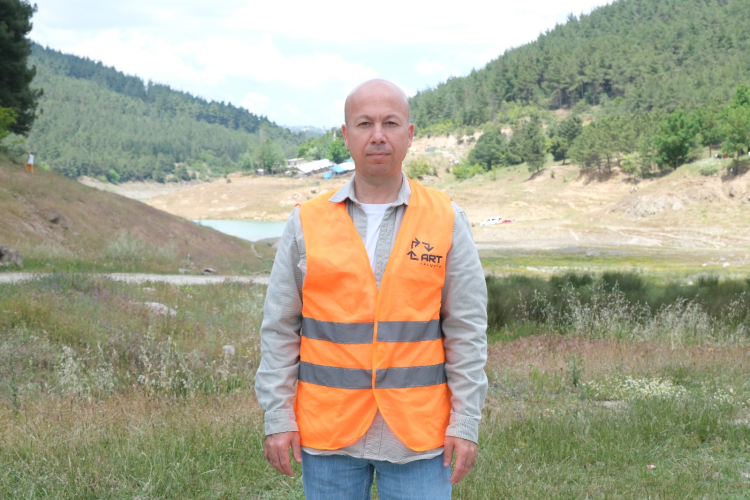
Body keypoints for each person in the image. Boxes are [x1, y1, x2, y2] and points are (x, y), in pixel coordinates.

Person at [255, 79, 488, 499]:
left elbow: (467, 329)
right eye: (364, 124)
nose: (378, 135)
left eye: (390, 123)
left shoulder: (447, 219)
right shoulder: (306, 222)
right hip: (328, 434)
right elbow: (279, 328)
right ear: (346, 135)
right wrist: (278, 416)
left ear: (409, 134)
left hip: (419, 438)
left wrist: (465, 421)